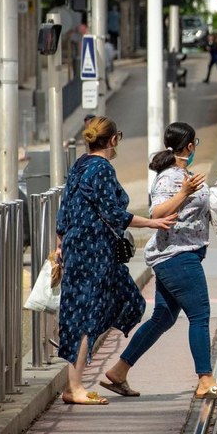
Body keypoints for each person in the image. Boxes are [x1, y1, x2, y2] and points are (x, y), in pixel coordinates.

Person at [100, 122, 217, 400]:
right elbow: (157, 212)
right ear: (188, 147)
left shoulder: (185, 175)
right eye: (195, 144)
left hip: (181, 253)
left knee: (162, 318)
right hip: (177, 257)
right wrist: (185, 192)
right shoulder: (169, 177)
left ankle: (119, 371)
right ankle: (205, 380)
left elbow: (191, 209)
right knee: (199, 316)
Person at [55, 116, 177, 405]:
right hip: (93, 251)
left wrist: (61, 240)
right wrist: (151, 224)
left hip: (81, 247)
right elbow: (113, 212)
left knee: (128, 301)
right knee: (85, 315)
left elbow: (66, 207)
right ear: (112, 140)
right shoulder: (101, 168)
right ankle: (75, 387)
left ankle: (103, 373)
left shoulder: (81, 164)